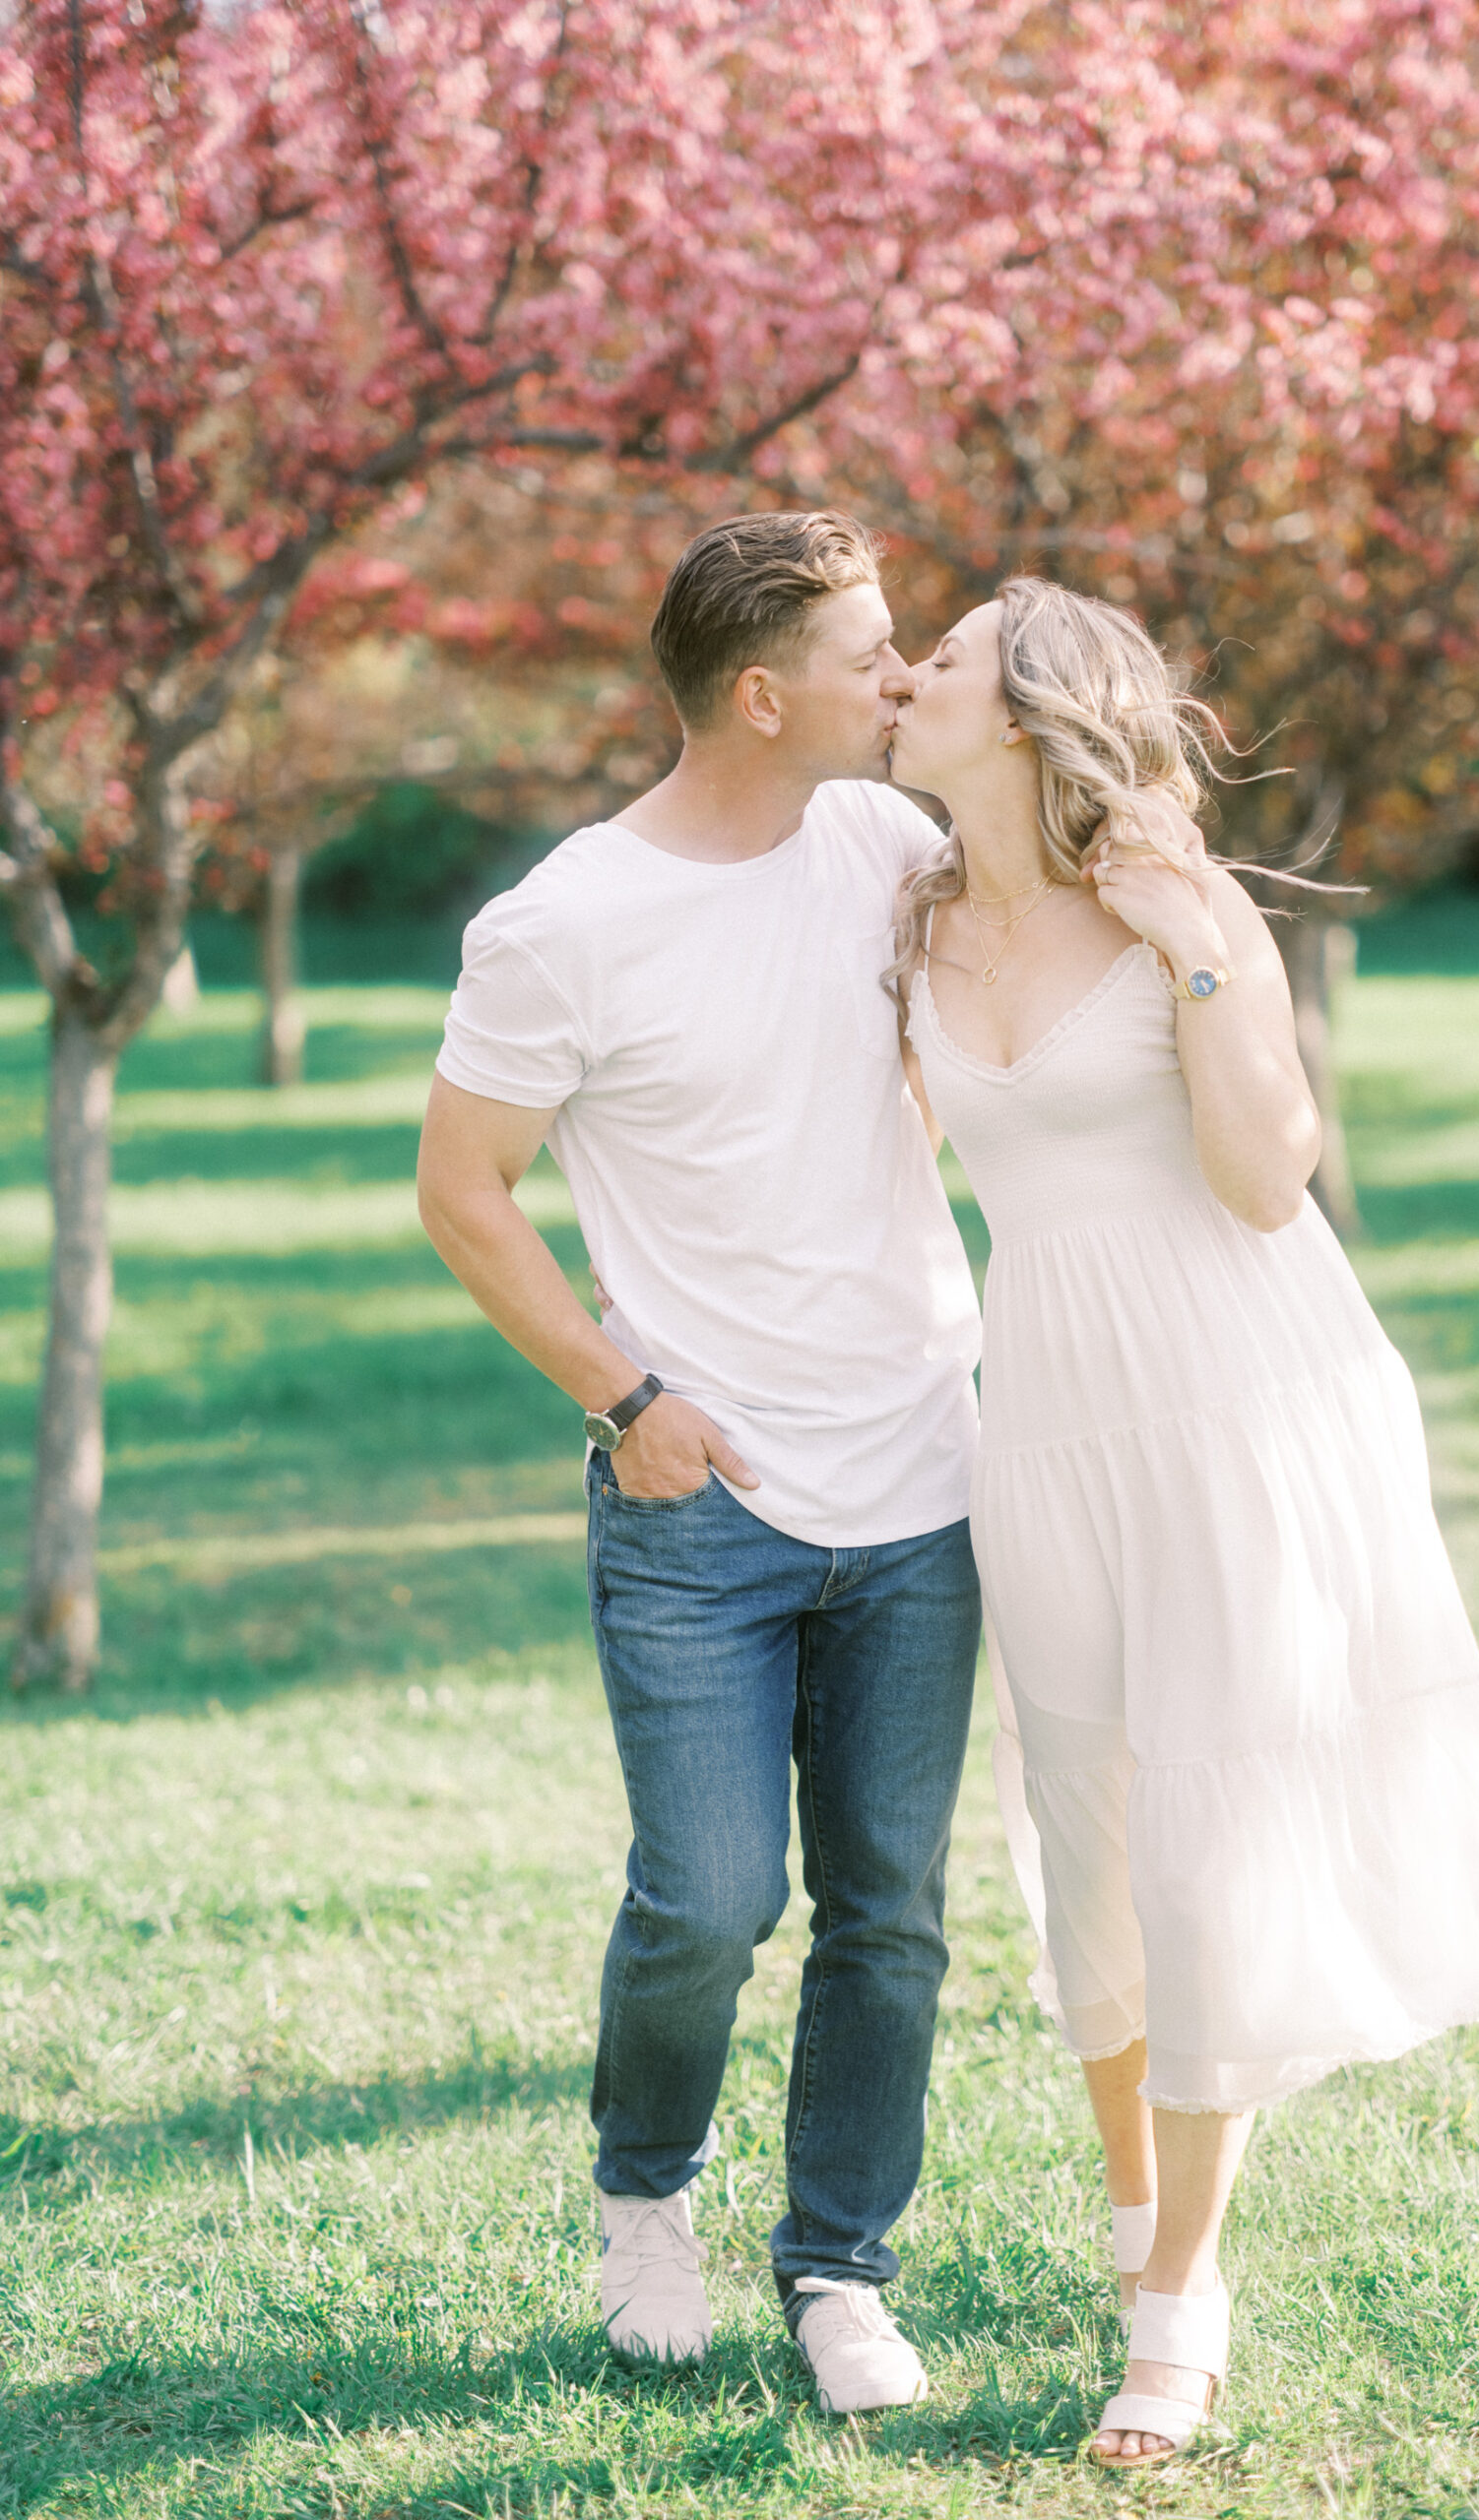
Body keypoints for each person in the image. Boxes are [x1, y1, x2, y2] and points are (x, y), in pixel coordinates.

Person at [888, 578, 1479, 2470]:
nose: (907, 675)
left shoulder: (1183, 911)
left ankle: (1178, 2300)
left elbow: (1265, 1179)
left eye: (944, 658)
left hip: (1242, 1398)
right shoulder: (909, 922)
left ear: (1037, 711)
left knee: (1211, 1846)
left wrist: (1193, 944)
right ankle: (1138, 2207)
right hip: (1044, 1414)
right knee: (1089, 1832)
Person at [416, 511, 987, 2416]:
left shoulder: (891, 845)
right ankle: (644, 2197)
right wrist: (622, 1394)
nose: (900, 678)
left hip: (922, 1473)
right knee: (712, 1897)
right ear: (762, 694)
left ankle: (839, 2265)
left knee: (889, 1908)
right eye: (872, 653)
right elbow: (462, 1192)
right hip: (704, 1500)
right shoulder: (563, 923)